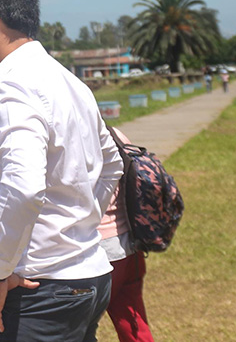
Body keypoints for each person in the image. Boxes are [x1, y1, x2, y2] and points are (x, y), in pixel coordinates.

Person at [0, 0, 124, 341]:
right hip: (88, 273)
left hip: (39, 287)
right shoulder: (69, 81)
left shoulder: (14, 84)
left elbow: (25, 188)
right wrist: (77, 223)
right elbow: (113, 163)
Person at [98, 128, 155, 342]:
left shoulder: (77, 136)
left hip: (102, 251)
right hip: (131, 247)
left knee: (75, 328)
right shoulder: (115, 133)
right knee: (134, 327)